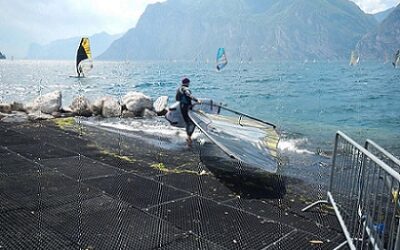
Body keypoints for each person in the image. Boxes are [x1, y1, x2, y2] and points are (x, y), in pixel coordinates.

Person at [176, 77, 200, 147]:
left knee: (188, 122)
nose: (189, 84)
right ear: (187, 83)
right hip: (186, 108)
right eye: (189, 83)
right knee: (192, 123)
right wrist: (196, 100)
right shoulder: (185, 89)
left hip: (182, 107)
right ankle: (189, 139)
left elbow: (177, 99)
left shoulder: (179, 89)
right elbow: (188, 95)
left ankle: (188, 137)